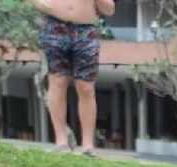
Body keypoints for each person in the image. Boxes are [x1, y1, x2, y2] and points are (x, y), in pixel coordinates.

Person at [29, 0, 115, 155]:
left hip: (85, 29)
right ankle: (61, 140)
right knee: (58, 82)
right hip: (54, 25)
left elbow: (109, 9)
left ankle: (88, 144)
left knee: (86, 87)